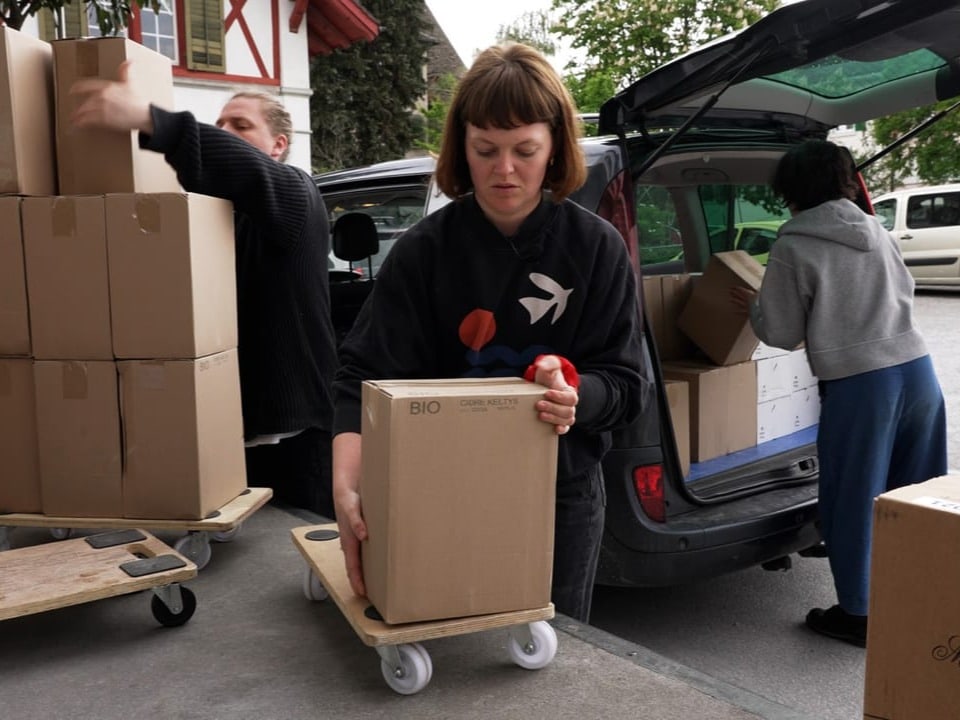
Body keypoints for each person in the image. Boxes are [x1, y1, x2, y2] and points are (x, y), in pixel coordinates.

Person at [331, 42, 646, 624]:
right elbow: (362, 376)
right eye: (486, 150)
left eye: (525, 150)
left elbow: (627, 385)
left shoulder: (596, 247)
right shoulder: (423, 252)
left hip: (559, 495)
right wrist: (347, 485)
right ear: (462, 148)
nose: (505, 170)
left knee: (552, 650)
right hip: (438, 491)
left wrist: (575, 395)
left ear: (554, 149)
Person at [70, 63, 338, 519]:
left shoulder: (298, 195)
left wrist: (152, 118)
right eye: (220, 125)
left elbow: (242, 170)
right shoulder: (219, 221)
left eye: (241, 125)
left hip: (296, 441)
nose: (226, 131)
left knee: (299, 567)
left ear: (279, 146)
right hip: (234, 435)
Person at [731, 139, 947, 647]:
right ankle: (924, 595)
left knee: (851, 498)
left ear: (791, 190)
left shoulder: (793, 244)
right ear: (845, 181)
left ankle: (859, 615)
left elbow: (781, 332)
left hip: (860, 383)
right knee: (916, 494)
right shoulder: (875, 227)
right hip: (917, 372)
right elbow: (902, 292)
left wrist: (754, 304)